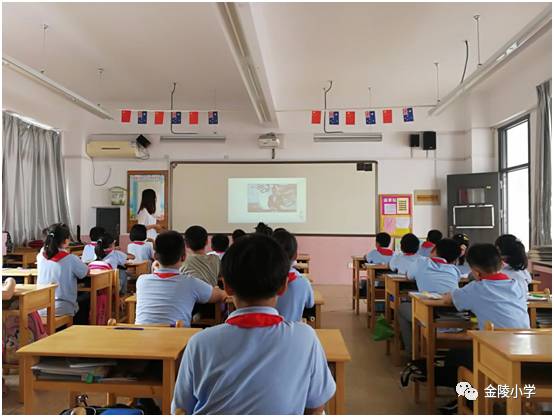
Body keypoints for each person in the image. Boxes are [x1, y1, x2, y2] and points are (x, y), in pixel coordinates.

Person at [171, 234, 336, 414]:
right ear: (283, 286)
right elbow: (316, 407)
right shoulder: (305, 338)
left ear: (227, 287)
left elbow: (181, 409)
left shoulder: (200, 343)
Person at [439, 244, 530, 414]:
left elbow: (449, 300)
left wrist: (448, 295)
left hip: (495, 355)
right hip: (524, 352)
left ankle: (471, 400)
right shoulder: (517, 285)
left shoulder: (476, 288)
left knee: (453, 357)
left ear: (476, 272)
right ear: (501, 263)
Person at [135, 231, 227, 326]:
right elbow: (221, 295)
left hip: (142, 336)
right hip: (177, 338)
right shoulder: (190, 283)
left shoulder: (141, 280)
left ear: (155, 256)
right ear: (183, 257)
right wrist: (217, 289)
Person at [398, 239, 462, 357]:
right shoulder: (454, 270)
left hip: (429, 318)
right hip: (456, 320)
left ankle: (411, 352)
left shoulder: (420, 262)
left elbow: (409, 276)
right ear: (454, 259)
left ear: (433, 250)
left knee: (402, 308)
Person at [36, 223, 88, 319]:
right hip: (61, 307)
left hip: (40, 306)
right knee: (86, 297)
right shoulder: (71, 258)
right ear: (66, 240)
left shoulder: (40, 256)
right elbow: (84, 272)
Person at [273, 229, 314, 321]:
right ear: (295, 255)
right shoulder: (303, 283)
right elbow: (310, 304)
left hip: (266, 332)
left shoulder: (263, 280)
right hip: (293, 330)